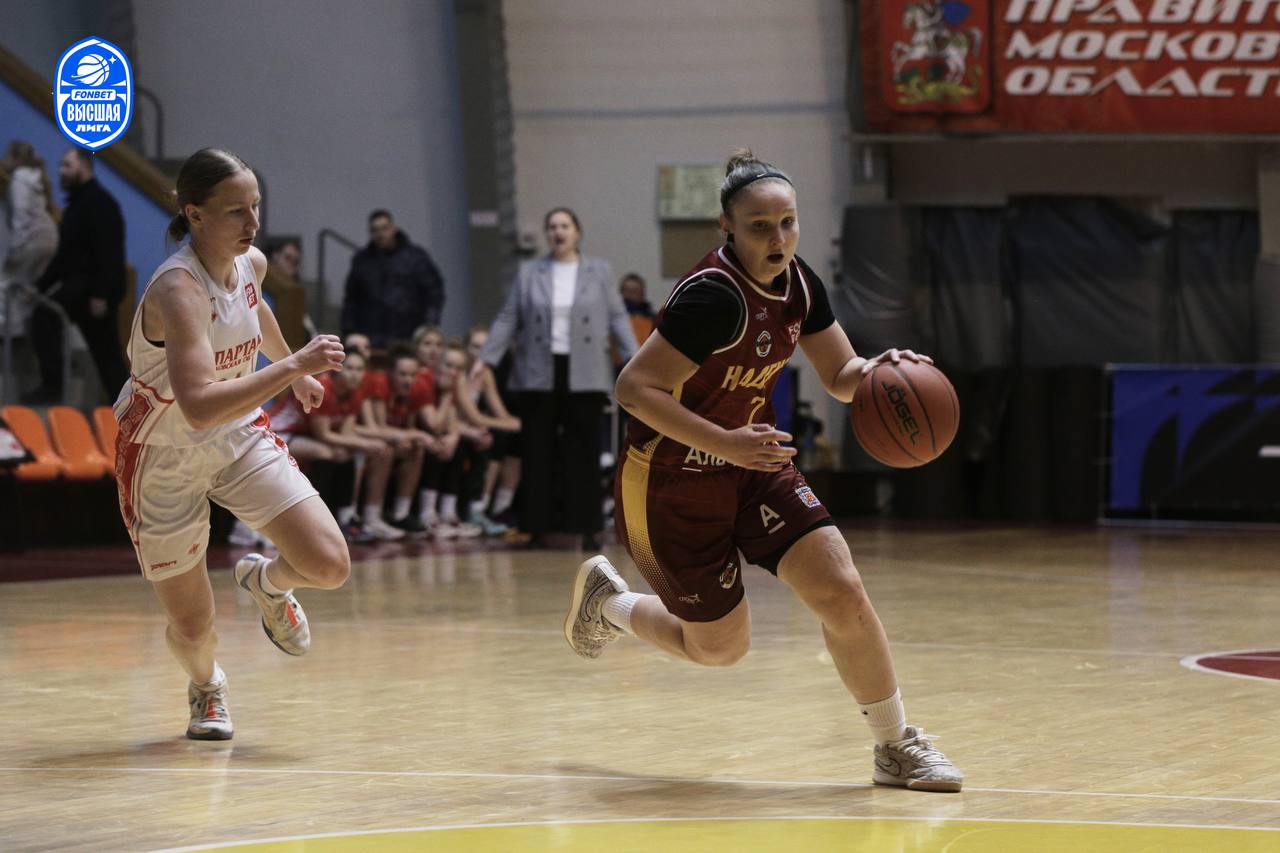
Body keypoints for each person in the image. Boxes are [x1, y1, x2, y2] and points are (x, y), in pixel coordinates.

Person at [563, 149, 964, 792]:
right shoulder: (712, 297)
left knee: (841, 590)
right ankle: (610, 605)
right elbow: (634, 389)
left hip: (754, 464)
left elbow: (839, 374)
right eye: (759, 227)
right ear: (726, 226)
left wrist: (880, 372)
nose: (778, 239)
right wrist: (725, 442)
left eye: (787, 223)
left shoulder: (800, 284)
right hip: (670, 480)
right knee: (721, 648)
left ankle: (895, 746)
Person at [113, 147, 350, 740]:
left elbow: (255, 310)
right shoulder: (179, 291)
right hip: (163, 452)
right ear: (194, 215)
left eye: (255, 207)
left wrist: (293, 370)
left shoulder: (251, 263)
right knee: (194, 627)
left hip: (237, 433)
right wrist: (293, 365)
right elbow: (197, 405)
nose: (252, 222)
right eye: (235, 211)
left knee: (328, 564)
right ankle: (206, 686)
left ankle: (267, 583)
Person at [479, 207, 638, 549]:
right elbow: (508, 317)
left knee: (583, 450)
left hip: (586, 370)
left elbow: (617, 317)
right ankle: (536, 526)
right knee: (538, 448)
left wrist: (635, 358)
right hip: (539, 369)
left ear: (577, 232)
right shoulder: (529, 271)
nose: (558, 231)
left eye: (564, 225)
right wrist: (486, 358)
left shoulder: (599, 271)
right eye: (552, 226)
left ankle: (588, 527)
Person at [28, 148, 130, 403]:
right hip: (83, 287)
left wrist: (101, 294)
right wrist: (39, 287)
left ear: (84, 166)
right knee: (104, 352)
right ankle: (123, 404)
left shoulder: (98, 203)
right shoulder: (80, 203)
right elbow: (65, 257)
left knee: (105, 353)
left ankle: (126, 406)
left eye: (67, 165)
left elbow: (108, 251)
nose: (61, 170)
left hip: (93, 289)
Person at [340, 209, 444, 348]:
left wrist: (429, 326)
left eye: (384, 228)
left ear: (393, 229)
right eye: (375, 230)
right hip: (371, 338)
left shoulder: (415, 257)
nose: (380, 234)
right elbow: (351, 299)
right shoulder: (362, 261)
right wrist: (349, 331)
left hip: (409, 335)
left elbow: (433, 292)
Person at [1, 141, 59, 340]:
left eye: (7, 156)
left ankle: (9, 336)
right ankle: (27, 330)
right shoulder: (35, 179)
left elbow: (21, 216)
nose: (4, 161)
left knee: (5, 282)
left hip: (32, 240)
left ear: (16, 159)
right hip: (49, 239)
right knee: (27, 288)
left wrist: (14, 250)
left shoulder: (19, 180)